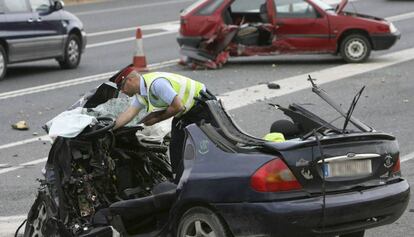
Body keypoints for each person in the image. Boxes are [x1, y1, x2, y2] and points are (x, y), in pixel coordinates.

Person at [113, 66, 211, 182]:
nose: (122, 91)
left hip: (202, 106)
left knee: (204, 147)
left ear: (130, 80)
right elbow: (128, 114)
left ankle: (207, 178)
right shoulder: (141, 92)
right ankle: (179, 182)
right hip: (186, 113)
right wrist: (110, 128)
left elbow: (178, 106)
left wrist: (156, 119)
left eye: (121, 87)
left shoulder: (156, 84)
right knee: (176, 147)